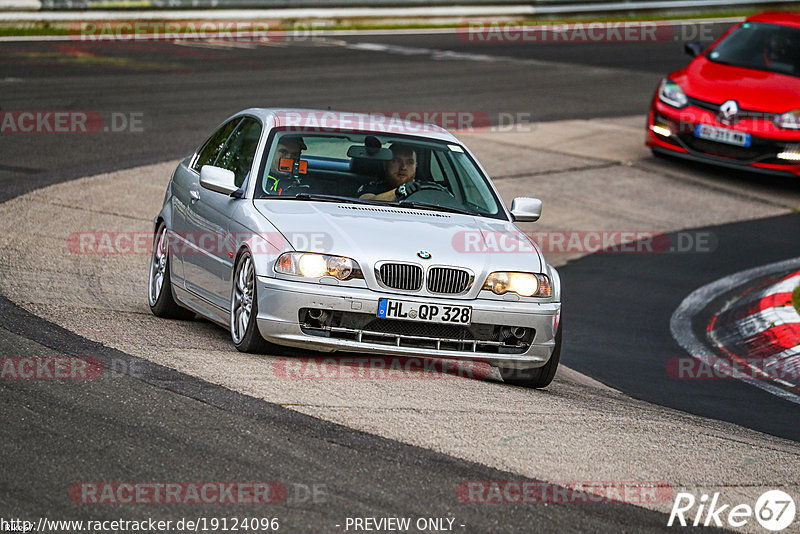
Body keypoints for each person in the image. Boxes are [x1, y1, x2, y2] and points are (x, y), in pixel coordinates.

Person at [358, 143, 423, 201]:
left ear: (416, 166)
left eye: (409, 162)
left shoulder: (424, 187)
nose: (403, 167)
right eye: (397, 161)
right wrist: (399, 191)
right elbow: (365, 201)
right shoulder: (373, 186)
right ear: (385, 164)